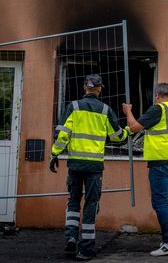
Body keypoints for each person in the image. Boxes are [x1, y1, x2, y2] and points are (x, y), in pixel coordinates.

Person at [49, 74, 128, 261]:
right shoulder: (105, 110)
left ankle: (70, 237)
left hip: (75, 164)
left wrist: (54, 154)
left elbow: (62, 135)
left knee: (74, 201)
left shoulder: (73, 107)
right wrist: (127, 133)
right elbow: (117, 137)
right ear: (99, 89)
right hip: (94, 167)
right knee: (91, 204)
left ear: (85, 87)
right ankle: (85, 249)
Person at [122, 82, 168, 257]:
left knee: (160, 203)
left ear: (157, 96)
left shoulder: (158, 109)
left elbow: (133, 128)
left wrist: (128, 111)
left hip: (161, 163)